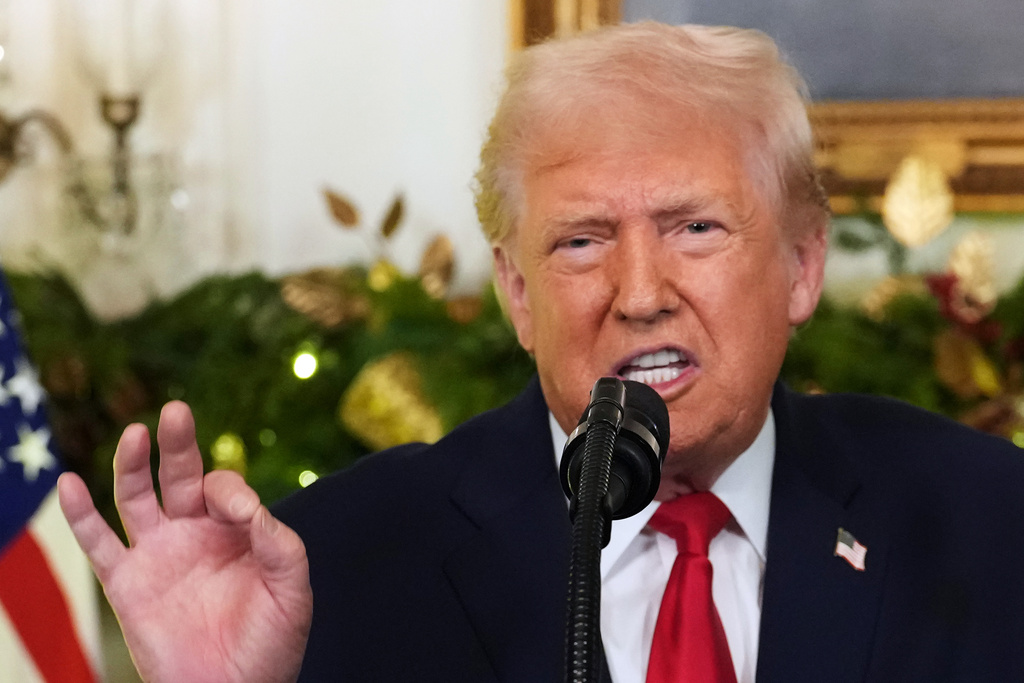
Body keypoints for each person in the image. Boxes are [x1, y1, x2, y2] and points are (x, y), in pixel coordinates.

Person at [57, 22, 1024, 683]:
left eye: (695, 227)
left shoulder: (989, 520)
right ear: (517, 291)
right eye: (581, 241)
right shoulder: (331, 565)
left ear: (803, 263)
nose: (641, 294)